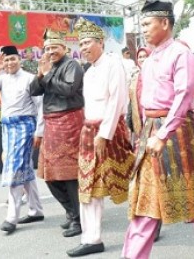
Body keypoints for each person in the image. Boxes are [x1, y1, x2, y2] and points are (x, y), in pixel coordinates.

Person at [122, 0, 194, 259]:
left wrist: (163, 133)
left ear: (165, 23)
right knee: (145, 202)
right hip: (151, 131)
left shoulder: (181, 53)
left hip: (178, 133)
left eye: (147, 23)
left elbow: (184, 96)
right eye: (141, 24)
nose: (143, 29)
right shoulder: (151, 57)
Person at [66, 18, 135, 257]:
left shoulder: (113, 64)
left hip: (110, 132)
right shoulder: (88, 72)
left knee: (128, 179)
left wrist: (104, 134)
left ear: (100, 43)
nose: (83, 48)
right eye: (81, 44)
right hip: (89, 132)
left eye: (87, 43)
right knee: (88, 186)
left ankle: (149, 221)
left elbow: (117, 102)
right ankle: (92, 238)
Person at [0, 45, 45, 234]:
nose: (9, 63)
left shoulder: (29, 79)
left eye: (12, 59)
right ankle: (36, 210)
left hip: (25, 126)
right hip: (8, 128)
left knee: (14, 168)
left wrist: (39, 132)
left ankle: (12, 216)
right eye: (6, 60)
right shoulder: (2, 79)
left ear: (20, 60)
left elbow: (40, 106)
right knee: (23, 167)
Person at [30, 28, 85, 238]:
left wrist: (47, 75)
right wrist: (40, 74)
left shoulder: (73, 65)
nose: (50, 51)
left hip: (70, 121)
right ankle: (71, 212)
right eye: (47, 48)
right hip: (51, 124)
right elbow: (33, 91)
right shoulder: (48, 67)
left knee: (69, 174)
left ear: (64, 48)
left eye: (54, 47)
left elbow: (69, 90)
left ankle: (79, 219)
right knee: (50, 175)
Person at [127, 47, 150, 142]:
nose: (142, 59)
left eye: (145, 56)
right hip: (138, 117)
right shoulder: (135, 76)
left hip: (152, 118)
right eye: (140, 57)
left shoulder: (155, 74)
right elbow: (131, 101)